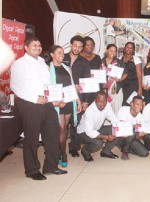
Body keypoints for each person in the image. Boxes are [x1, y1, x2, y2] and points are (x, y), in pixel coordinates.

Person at [10, 36, 67, 180]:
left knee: (53, 133)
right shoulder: (19, 64)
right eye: (34, 45)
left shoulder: (42, 63)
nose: (38, 48)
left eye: (39, 45)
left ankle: (51, 166)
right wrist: (35, 98)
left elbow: (47, 85)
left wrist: (55, 100)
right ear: (26, 47)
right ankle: (32, 170)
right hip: (30, 104)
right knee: (32, 138)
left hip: (47, 103)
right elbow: (15, 86)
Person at [48, 45, 82, 168]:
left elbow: (72, 86)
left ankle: (61, 152)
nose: (62, 55)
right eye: (59, 53)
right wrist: (55, 101)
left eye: (62, 53)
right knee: (60, 128)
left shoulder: (67, 68)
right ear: (52, 55)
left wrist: (78, 101)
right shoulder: (48, 69)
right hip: (57, 103)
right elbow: (47, 89)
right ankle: (62, 153)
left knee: (65, 128)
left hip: (68, 102)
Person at [63, 35, 91, 158]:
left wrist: (85, 101)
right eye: (75, 45)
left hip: (77, 98)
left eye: (80, 47)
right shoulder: (61, 57)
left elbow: (87, 82)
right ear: (70, 44)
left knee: (75, 123)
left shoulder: (84, 62)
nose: (77, 48)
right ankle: (58, 148)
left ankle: (73, 147)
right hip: (61, 96)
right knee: (61, 125)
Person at [77, 91, 119, 162]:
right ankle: (85, 150)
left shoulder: (107, 105)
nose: (102, 104)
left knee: (116, 130)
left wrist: (120, 130)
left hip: (97, 129)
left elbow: (114, 119)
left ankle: (106, 151)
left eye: (104, 101)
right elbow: (90, 132)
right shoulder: (89, 111)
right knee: (98, 143)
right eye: (100, 101)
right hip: (83, 133)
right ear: (95, 101)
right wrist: (106, 137)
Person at [117, 96, 150, 160]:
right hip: (120, 137)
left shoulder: (141, 117)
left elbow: (136, 137)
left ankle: (125, 147)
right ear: (131, 104)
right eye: (137, 104)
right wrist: (134, 126)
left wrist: (140, 135)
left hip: (130, 139)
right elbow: (122, 127)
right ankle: (125, 152)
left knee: (145, 153)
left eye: (141, 105)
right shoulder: (123, 109)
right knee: (132, 130)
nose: (140, 107)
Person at [101, 44, 127, 113]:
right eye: (111, 51)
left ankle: (116, 124)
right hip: (104, 91)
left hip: (116, 90)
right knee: (105, 112)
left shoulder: (119, 62)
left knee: (116, 111)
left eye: (115, 51)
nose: (113, 53)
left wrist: (120, 79)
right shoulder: (101, 62)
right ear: (106, 50)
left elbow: (125, 74)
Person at [80, 37, 102, 104]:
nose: (90, 47)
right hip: (82, 89)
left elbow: (100, 72)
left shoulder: (97, 58)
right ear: (83, 46)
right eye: (87, 45)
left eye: (92, 45)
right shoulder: (78, 57)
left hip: (94, 88)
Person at [121, 42, 143, 106]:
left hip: (133, 86)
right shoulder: (120, 58)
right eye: (127, 47)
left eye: (131, 48)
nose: (129, 49)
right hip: (123, 85)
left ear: (133, 50)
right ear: (124, 48)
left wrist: (140, 89)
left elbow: (139, 75)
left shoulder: (136, 59)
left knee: (131, 104)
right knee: (124, 103)